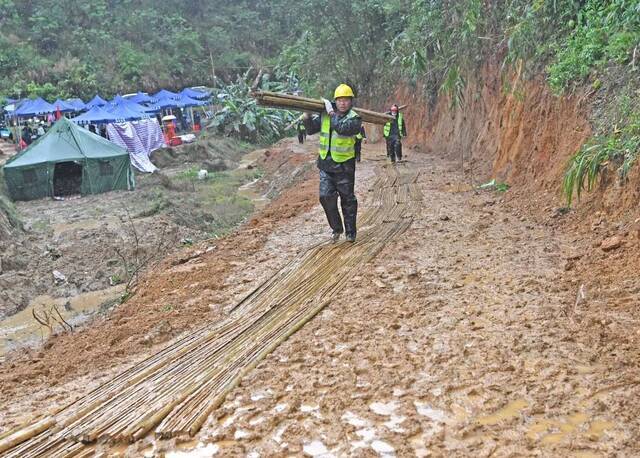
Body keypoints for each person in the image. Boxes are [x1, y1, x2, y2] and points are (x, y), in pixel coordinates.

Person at [303, 83, 362, 243]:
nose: (342, 103)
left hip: (345, 166)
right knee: (325, 197)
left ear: (351, 102)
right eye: (339, 100)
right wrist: (307, 116)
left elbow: (341, 128)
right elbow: (310, 129)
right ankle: (336, 228)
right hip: (325, 164)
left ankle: (351, 232)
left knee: (347, 200)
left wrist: (330, 111)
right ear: (335, 101)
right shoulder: (324, 115)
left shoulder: (354, 118)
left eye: (346, 100)